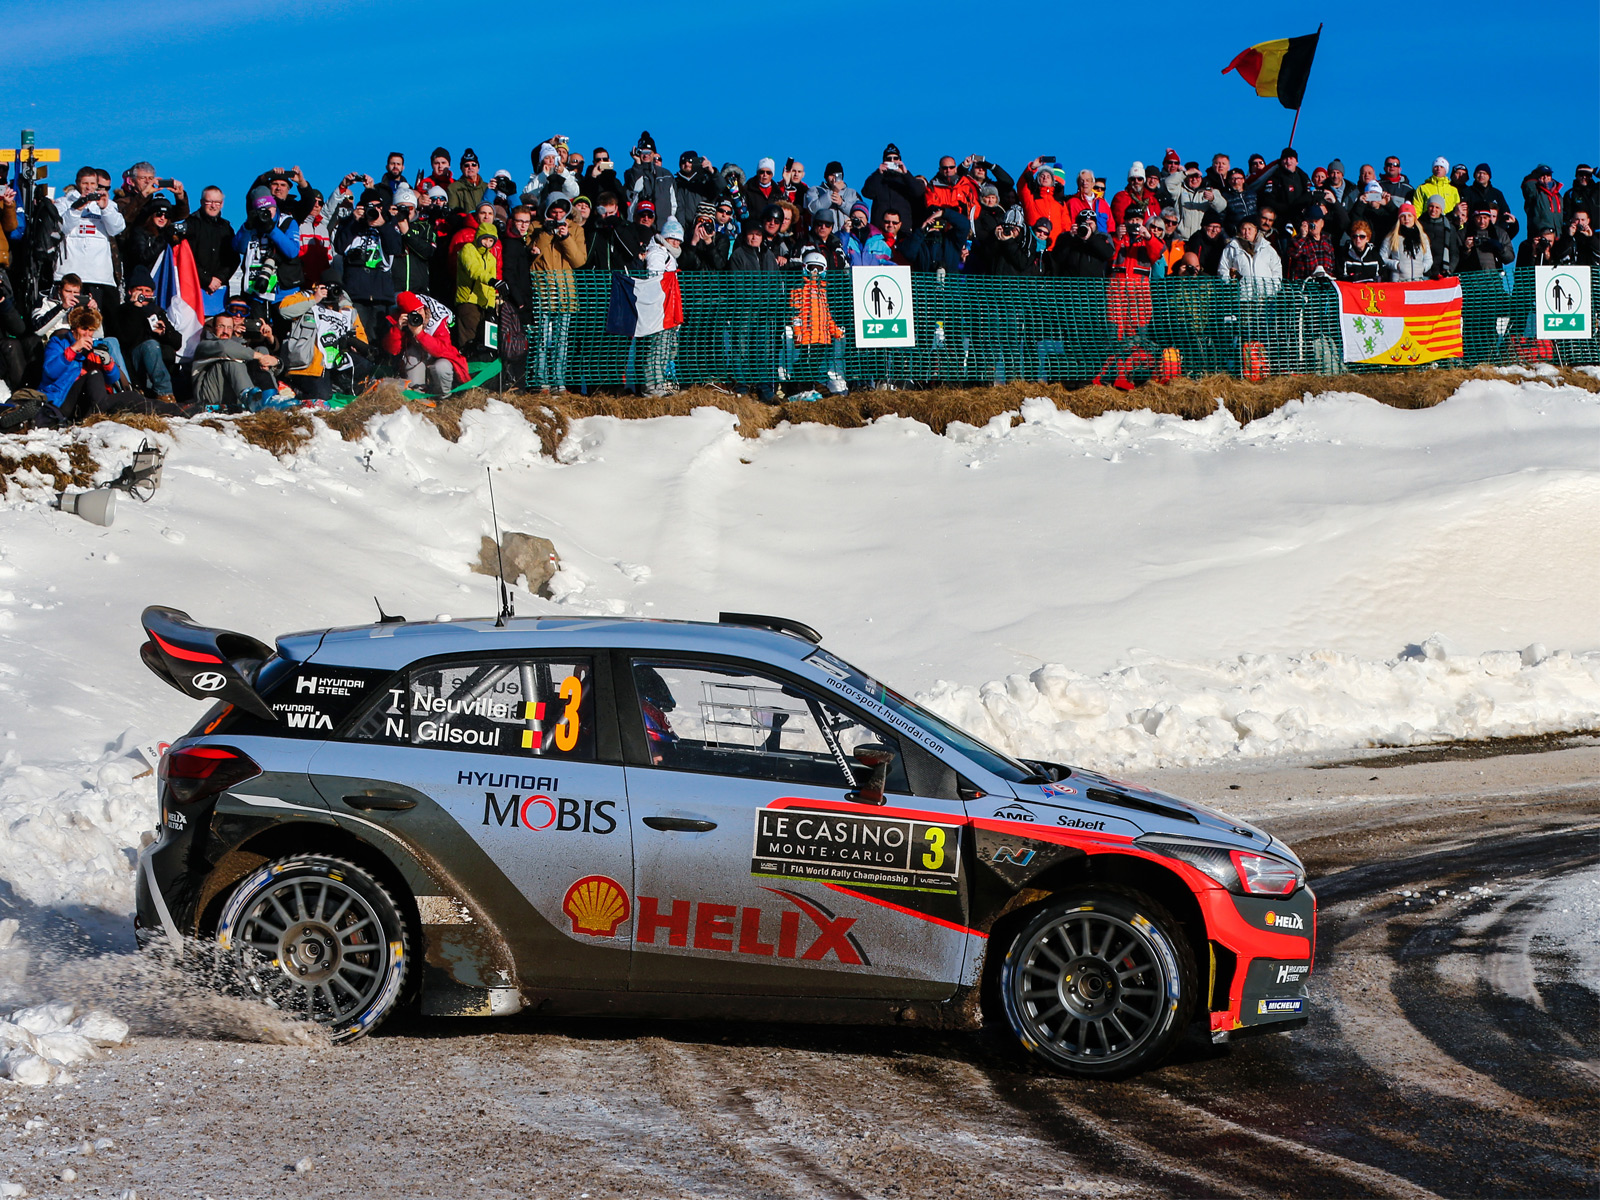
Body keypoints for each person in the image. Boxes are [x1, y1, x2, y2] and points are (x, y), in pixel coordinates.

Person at [277, 281, 370, 401]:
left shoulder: (347, 308)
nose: (330, 292)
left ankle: (335, 385)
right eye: (327, 288)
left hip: (337, 360)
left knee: (364, 365)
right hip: (310, 364)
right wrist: (314, 298)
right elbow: (284, 310)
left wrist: (357, 346)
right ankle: (294, 388)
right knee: (322, 397)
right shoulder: (307, 296)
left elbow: (361, 336)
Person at [531, 197, 586, 392]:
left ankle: (558, 381)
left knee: (561, 340)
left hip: (565, 292)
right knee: (542, 338)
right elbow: (532, 255)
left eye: (561, 212)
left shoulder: (576, 229)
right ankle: (540, 380)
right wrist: (547, 233)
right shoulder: (535, 227)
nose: (557, 216)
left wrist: (566, 237)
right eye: (554, 212)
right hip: (542, 290)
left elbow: (579, 261)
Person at [41, 307, 134, 420]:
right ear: (74, 329)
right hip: (63, 400)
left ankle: (153, 410)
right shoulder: (58, 343)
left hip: (93, 399)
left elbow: (112, 379)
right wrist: (73, 350)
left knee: (133, 397)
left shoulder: (95, 347)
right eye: (84, 329)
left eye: (91, 330)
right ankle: (100, 415)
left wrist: (108, 363)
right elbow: (50, 372)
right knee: (95, 374)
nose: (87, 334)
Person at [54, 167, 126, 311]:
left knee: (94, 317)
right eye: (85, 183)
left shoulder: (108, 204)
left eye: (92, 183)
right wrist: (77, 208)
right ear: (77, 183)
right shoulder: (64, 202)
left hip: (99, 275)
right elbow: (62, 228)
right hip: (69, 272)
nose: (89, 187)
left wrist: (105, 208)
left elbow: (117, 229)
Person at [335, 189, 401, 341]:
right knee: (358, 337)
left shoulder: (389, 222)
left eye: (378, 207)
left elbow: (395, 249)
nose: (375, 210)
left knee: (379, 338)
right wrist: (354, 222)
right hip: (356, 292)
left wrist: (383, 225)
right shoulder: (350, 222)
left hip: (381, 293)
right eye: (370, 207)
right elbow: (339, 247)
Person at [192, 311, 287, 409]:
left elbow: (244, 353)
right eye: (221, 326)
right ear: (213, 328)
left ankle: (271, 396)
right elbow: (224, 348)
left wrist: (276, 362)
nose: (225, 331)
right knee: (232, 359)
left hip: (233, 394)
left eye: (229, 327)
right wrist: (260, 357)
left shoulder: (239, 345)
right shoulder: (205, 344)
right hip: (209, 395)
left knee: (261, 350)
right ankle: (250, 397)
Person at [111, 266, 179, 399]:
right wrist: (136, 309)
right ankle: (164, 392)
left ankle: (166, 395)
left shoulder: (157, 312)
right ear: (130, 291)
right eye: (139, 290)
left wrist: (164, 333)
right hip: (132, 362)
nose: (143, 294)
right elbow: (125, 339)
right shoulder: (121, 311)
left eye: (147, 291)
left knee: (153, 345)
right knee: (150, 345)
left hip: (156, 364)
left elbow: (177, 342)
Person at [232, 185, 301, 301]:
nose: (266, 213)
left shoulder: (287, 222)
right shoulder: (252, 225)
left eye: (269, 208)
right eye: (261, 210)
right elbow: (239, 248)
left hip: (283, 291)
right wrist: (247, 227)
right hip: (255, 289)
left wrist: (272, 230)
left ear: (275, 206)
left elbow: (292, 252)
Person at [639, 219, 682, 398]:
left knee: (665, 349)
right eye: (672, 238)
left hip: (668, 309)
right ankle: (652, 388)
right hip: (660, 309)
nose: (676, 243)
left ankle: (660, 385)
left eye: (678, 239)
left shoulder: (668, 254)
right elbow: (655, 280)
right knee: (657, 349)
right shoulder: (658, 253)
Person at [185, 187, 237, 317]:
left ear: (222, 204)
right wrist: (207, 280)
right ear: (202, 202)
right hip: (194, 288)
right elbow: (186, 258)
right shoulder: (191, 224)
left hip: (219, 292)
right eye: (209, 202)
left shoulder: (226, 228)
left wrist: (219, 278)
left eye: (217, 202)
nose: (213, 206)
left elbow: (234, 259)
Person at [454, 219, 500, 353]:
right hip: (468, 300)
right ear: (478, 237)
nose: (487, 243)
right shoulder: (468, 249)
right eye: (484, 239)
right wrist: (492, 281)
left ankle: (479, 364)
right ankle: (465, 362)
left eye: (491, 241)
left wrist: (491, 306)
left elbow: (491, 288)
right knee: (469, 339)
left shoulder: (491, 258)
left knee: (484, 342)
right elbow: (473, 270)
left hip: (483, 303)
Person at [1218, 213, 1282, 298]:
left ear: (1256, 230)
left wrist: (1273, 289)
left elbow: (1277, 269)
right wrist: (1231, 286)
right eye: (1244, 229)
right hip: (1241, 297)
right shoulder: (1232, 247)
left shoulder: (1267, 248)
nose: (1247, 232)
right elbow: (1223, 269)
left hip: (1265, 298)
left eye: (1250, 229)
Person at [861, 145, 923, 228]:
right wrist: (878, 173)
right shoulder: (878, 178)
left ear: (900, 160)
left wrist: (906, 174)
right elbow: (867, 193)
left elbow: (918, 192)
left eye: (895, 158)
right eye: (889, 159)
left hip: (902, 228)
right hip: (880, 227)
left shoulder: (906, 180)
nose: (892, 161)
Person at [114, 161, 189, 228]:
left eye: (150, 178)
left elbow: (181, 215)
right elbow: (125, 219)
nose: (147, 182)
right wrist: (143, 195)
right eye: (143, 178)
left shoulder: (153, 202)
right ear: (132, 181)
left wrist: (180, 196)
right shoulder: (122, 201)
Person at [1169, 164, 1227, 240]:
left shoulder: (1210, 190)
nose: (1194, 179)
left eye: (1197, 176)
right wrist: (1185, 173)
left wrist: (1213, 199)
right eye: (1191, 176)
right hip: (1181, 238)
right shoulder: (1180, 189)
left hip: (1201, 238)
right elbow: (1169, 183)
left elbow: (1222, 206)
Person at [1019, 162, 1070, 248]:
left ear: (1052, 181)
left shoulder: (1060, 202)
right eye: (1042, 176)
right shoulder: (1031, 198)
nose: (1045, 178)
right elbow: (1021, 186)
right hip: (1033, 245)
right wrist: (1032, 168)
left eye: (1048, 176)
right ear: (1038, 179)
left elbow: (1066, 225)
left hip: (1055, 248)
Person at [1380, 203, 1432, 280]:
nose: (1406, 218)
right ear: (1399, 219)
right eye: (1403, 216)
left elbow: (1428, 259)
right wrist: (1396, 265)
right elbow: (1381, 258)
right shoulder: (1392, 237)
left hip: (1418, 280)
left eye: (1409, 216)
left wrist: (1423, 267)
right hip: (1398, 281)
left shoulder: (1422, 236)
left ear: (1414, 218)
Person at [807, 162, 864, 231]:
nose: (834, 178)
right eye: (831, 175)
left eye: (837, 175)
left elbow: (860, 214)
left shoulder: (852, 193)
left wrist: (842, 203)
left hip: (847, 233)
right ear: (826, 176)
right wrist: (833, 192)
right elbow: (813, 209)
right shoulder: (815, 190)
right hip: (824, 233)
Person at [924, 156, 979, 225]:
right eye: (945, 168)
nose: (948, 170)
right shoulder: (932, 186)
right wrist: (951, 209)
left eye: (951, 167)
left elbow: (975, 209)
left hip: (961, 224)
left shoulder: (965, 184)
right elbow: (930, 206)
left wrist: (964, 210)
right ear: (940, 169)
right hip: (941, 225)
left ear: (955, 168)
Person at [1285, 207, 1336, 280]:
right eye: (1311, 222)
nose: (1314, 225)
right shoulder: (1298, 240)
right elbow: (1293, 254)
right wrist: (1303, 236)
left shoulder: (1327, 240)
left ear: (1322, 223)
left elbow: (1332, 265)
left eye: (1316, 221)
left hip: (1325, 283)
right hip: (1306, 284)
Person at [1458, 210, 1513, 275]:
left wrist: (1501, 249)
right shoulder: (1464, 233)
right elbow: (1456, 258)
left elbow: (1509, 258)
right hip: (1471, 278)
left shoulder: (1499, 233)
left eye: (1485, 218)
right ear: (1474, 218)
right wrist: (1466, 249)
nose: (1482, 221)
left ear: (1489, 218)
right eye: (1479, 218)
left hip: (1494, 278)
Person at [1418, 195, 1461, 279]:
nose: (1433, 210)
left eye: (1437, 207)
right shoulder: (1419, 224)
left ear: (1441, 209)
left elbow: (1454, 252)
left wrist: (1450, 269)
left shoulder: (1449, 228)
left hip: (1441, 272)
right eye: (1431, 206)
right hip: (1422, 271)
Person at [1111, 163, 1161, 232]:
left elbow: (1158, 223)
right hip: (1129, 235)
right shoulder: (1121, 197)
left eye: (1139, 179)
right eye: (1133, 179)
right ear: (1129, 181)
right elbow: (1120, 220)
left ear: (1144, 181)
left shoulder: (1152, 200)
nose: (1136, 181)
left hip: (1148, 236)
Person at [1521, 165, 1564, 236]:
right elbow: (1528, 185)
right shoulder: (1535, 193)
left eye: (1548, 175)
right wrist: (1535, 174)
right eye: (1542, 175)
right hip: (1539, 235)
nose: (1545, 177)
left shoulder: (1557, 195)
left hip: (1558, 236)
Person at [1187, 211, 1230, 275]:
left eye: (1217, 227)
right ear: (1204, 227)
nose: (1214, 230)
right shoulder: (1196, 240)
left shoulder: (1222, 242)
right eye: (1211, 226)